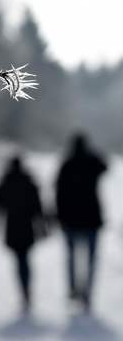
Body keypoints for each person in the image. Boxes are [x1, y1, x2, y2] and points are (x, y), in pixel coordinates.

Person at [56, 133, 107, 312]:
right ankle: (87, 294)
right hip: (92, 219)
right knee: (91, 260)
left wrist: (58, 217)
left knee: (71, 258)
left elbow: (58, 193)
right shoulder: (92, 163)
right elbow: (106, 166)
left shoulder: (67, 164)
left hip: (70, 220)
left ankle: (73, 290)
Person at [0, 156, 44, 313]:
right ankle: (26, 290)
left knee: (20, 261)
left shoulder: (5, 183)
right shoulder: (29, 183)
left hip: (12, 229)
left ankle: (24, 290)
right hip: (27, 229)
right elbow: (38, 208)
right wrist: (43, 228)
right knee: (25, 260)